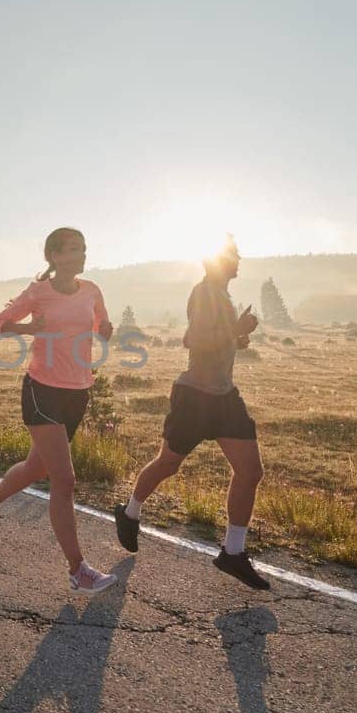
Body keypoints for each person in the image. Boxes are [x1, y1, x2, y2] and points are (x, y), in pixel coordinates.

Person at [112, 236, 269, 589]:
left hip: (224, 396)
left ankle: (233, 552)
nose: (238, 258)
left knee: (250, 471)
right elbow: (193, 340)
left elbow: (218, 339)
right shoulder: (204, 293)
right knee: (168, 463)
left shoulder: (223, 295)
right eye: (232, 254)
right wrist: (235, 331)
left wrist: (236, 339)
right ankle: (130, 512)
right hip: (195, 396)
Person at [0, 227, 119, 594]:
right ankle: (77, 570)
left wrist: (105, 329)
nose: (82, 254)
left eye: (83, 248)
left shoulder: (92, 290)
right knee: (64, 479)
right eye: (73, 249)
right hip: (42, 391)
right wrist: (28, 328)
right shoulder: (38, 292)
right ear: (54, 256)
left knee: (34, 468)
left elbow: (102, 326)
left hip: (78, 392)